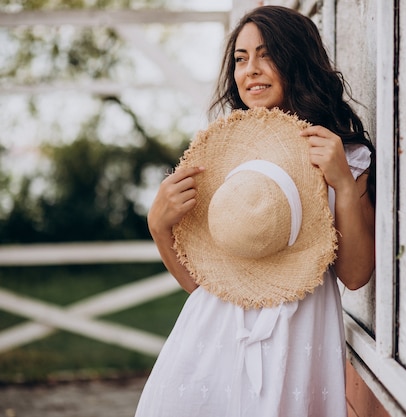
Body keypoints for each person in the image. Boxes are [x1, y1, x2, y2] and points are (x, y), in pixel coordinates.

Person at [135, 5, 375, 417]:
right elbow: (205, 286)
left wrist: (343, 186)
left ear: (297, 59)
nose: (251, 70)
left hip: (297, 341)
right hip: (210, 340)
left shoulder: (343, 154)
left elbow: (355, 276)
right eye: (241, 59)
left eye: (267, 54)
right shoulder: (223, 157)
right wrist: (159, 228)